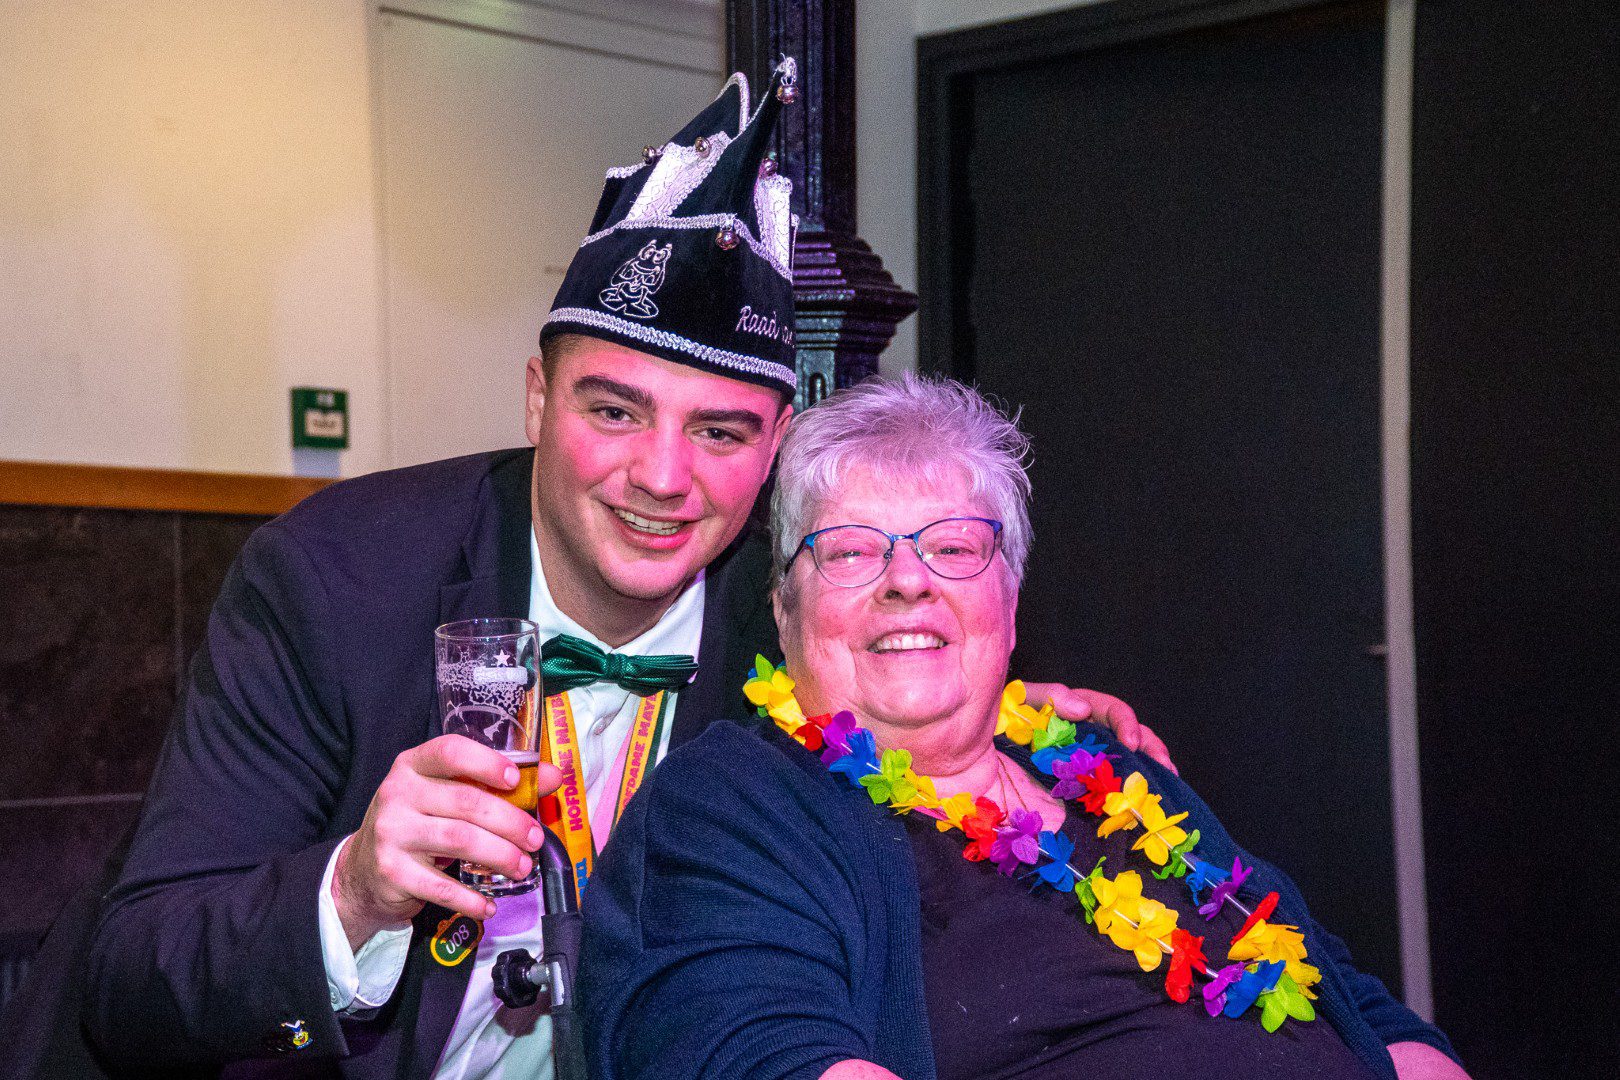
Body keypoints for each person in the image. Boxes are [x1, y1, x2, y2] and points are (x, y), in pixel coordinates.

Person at [67, 64, 1160, 1080]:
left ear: (776, 448)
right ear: (538, 400)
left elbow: (918, 735)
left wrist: (1013, 726)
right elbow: (130, 978)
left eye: (721, 433)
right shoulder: (337, 581)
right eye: (615, 412)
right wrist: (352, 892)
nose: (664, 478)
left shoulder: (796, 613)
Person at [579, 374, 1471, 1080]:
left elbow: (1346, 998)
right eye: (851, 550)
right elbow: (753, 1050)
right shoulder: (731, 806)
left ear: (1008, 599)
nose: (909, 581)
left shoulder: (1114, 771)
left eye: (953, 547)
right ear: (783, 611)